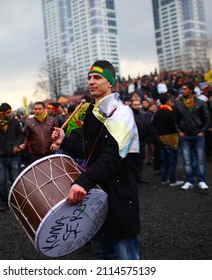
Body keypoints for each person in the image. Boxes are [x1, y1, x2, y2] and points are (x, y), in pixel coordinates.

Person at [52, 60, 141, 260]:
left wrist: (83, 182)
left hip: (119, 192)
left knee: (125, 256)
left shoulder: (122, 113)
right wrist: (63, 140)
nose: (91, 81)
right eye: (89, 77)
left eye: (97, 77)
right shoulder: (92, 112)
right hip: (96, 194)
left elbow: (112, 155)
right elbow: (88, 151)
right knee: (100, 255)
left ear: (110, 83)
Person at [0, 103, 23, 211]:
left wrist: (16, 145)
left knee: (15, 180)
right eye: (7, 112)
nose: (9, 114)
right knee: (1, 181)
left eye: (10, 111)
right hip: (0, 156)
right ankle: (4, 202)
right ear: (1, 113)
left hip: (13, 155)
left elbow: (21, 135)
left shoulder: (15, 122)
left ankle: (16, 202)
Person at [174, 82, 211, 190]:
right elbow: (175, 120)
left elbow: (207, 118)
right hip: (185, 136)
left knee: (200, 160)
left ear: (191, 90)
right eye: (182, 89)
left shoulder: (201, 102)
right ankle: (188, 181)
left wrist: (202, 131)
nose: (182, 91)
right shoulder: (178, 104)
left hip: (198, 135)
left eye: (185, 89)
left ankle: (201, 181)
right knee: (187, 160)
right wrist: (179, 131)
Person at [151, 94, 184, 187]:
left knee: (164, 159)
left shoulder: (157, 112)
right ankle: (173, 180)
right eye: (170, 100)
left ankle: (164, 179)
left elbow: (153, 124)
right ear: (167, 101)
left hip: (161, 138)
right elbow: (174, 125)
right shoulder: (170, 112)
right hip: (171, 139)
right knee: (173, 160)